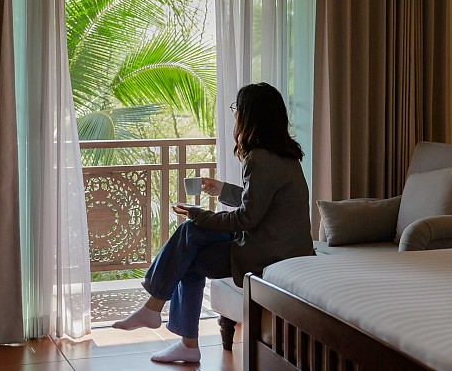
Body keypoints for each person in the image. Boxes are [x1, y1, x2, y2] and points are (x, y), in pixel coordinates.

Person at [112, 82, 314, 363]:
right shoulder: (286, 155)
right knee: (190, 236)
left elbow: (246, 218)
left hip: (267, 251)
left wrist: (198, 214)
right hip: (281, 243)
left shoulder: (259, 159)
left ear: (250, 115)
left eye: (236, 109)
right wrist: (222, 190)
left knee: (189, 247)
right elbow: (262, 203)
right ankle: (159, 315)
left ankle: (171, 326)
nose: (235, 115)